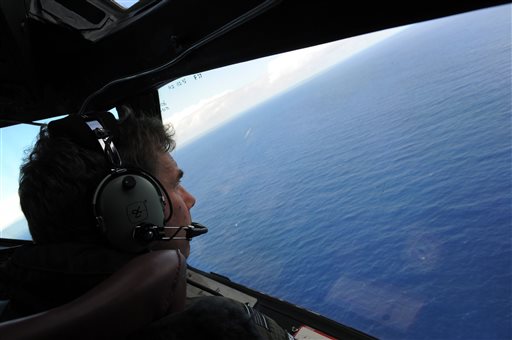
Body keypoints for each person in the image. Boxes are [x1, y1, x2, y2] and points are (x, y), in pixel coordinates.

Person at [0, 108, 292, 339]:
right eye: (175, 185)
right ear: (131, 209)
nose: (190, 200)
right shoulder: (213, 326)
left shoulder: (17, 309)